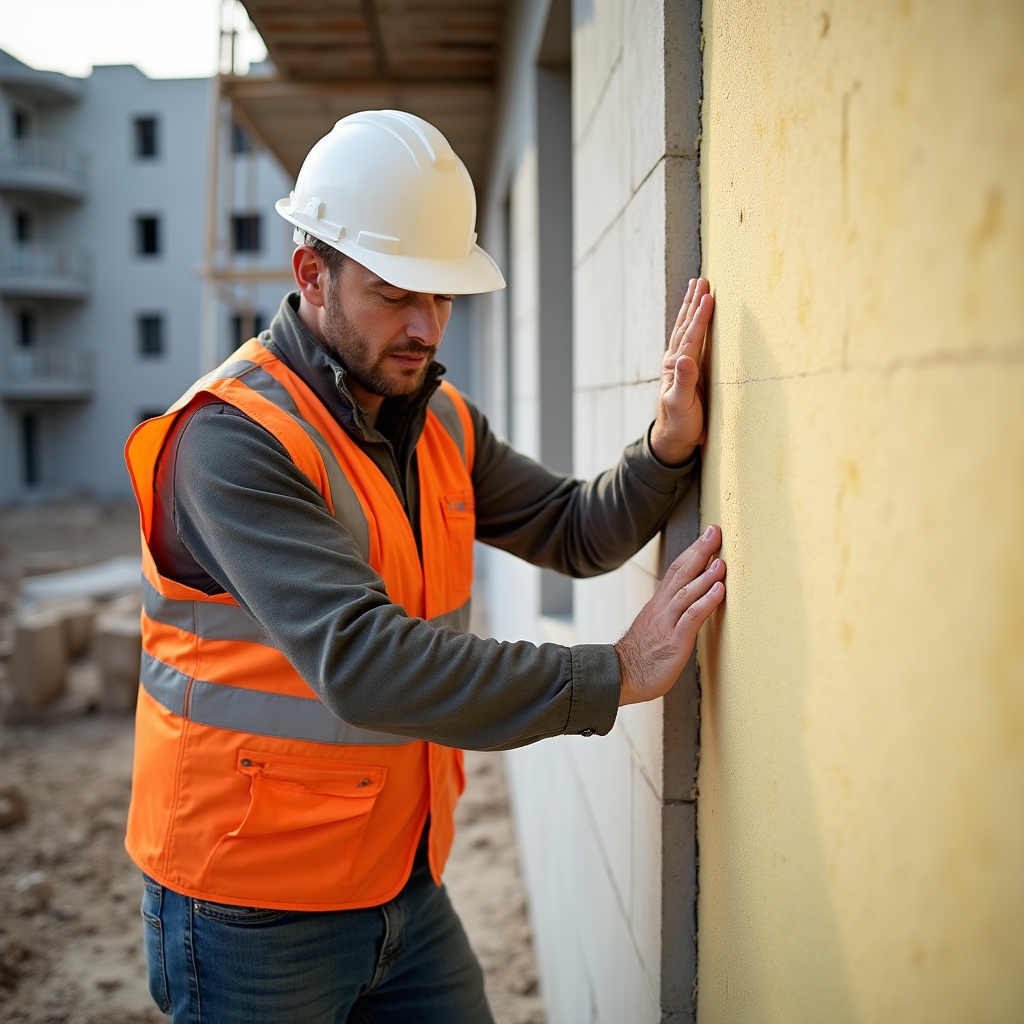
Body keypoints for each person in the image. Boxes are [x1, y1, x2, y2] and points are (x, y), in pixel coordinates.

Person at [124, 110, 724, 1023]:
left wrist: (667, 449)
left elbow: (569, 528)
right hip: (249, 907)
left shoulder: (436, 417)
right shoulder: (230, 441)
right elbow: (365, 663)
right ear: (310, 275)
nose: (423, 325)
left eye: (440, 295)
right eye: (393, 292)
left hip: (399, 880)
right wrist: (613, 674)